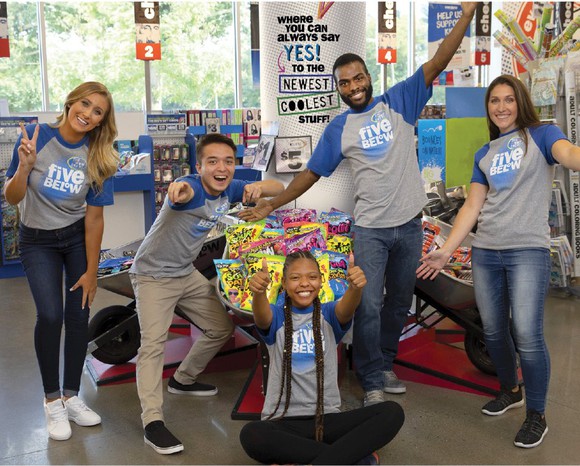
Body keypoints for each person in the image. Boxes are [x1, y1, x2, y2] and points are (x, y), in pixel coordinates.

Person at [239, 2, 477, 406]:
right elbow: (310, 173)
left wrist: (467, 15)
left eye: (358, 78)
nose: (353, 86)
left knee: (400, 300)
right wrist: (272, 202)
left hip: (410, 225)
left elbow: (438, 60)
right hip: (370, 229)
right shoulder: (339, 127)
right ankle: (370, 379)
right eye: (345, 83)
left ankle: (385, 362)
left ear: (368, 77)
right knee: (366, 304)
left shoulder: (399, 100)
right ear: (339, 88)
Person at [416, 74, 580, 448]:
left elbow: (570, 155)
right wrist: (445, 248)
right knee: (492, 331)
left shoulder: (543, 135)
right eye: (495, 101)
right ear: (488, 108)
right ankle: (511, 389)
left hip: (527, 250)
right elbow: (472, 207)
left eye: (508, 99)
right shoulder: (484, 154)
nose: (502, 107)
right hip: (486, 251)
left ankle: (536, 414)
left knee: (527, 333)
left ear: (520, 102)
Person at [129, 133, 284, 455]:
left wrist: (259, 188)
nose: (221, 167)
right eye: (212, 162)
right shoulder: (193, 187)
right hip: (153, 276)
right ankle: (152, 422)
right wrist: (178, 189)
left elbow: (279, 188)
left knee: (221, 327)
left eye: (228, 161)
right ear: (199, 166)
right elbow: (180, 192)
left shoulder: (230, 187)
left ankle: (183, 379)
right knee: (153, 346)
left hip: (185, 274)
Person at [4, 82, 119, 441]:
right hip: (37, 240)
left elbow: (94, 219)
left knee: (78, 313)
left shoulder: (101, 157)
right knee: (50, 315)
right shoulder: (38, 137)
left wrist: (91, 271)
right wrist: (24, 167)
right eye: (84, 103)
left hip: (73, 239)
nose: (87, 113)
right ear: (71, 103)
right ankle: (52, 400)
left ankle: (72, 396)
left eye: (97, 111)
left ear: (102, 121)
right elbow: (12, 198)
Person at [239, 251, 404, 465]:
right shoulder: (277, 315)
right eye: (295, 278)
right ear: (284, 283)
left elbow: (347, 307)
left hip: (326, 420)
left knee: (391, 412)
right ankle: (349, 458)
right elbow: (262, 318)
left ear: (321, 280)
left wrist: (355, 288)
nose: (304, 284)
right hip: (283, 421)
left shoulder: (329, 314)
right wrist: (259, 292)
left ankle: (313, 459)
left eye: (312, 277)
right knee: (252, 434)